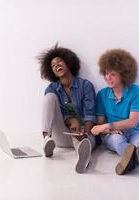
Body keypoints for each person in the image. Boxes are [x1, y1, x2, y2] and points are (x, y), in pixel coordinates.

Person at [38, 44, 96, 174]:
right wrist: (70, 119)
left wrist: (85, 132)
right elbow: (57, 113)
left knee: (83, 143)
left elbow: (90, 113)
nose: (56, 65)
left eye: (59, 62)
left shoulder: (85, 85)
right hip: (62, 135)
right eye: (53, 65)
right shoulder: (52, 89)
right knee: (49, 97)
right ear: (52, 72)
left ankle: (83, 158)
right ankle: (46, 138)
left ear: (68, 63)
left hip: (83, 132)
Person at [91, 49, 139, 175]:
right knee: (117, 141)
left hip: (138, 130)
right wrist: (108, 129)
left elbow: (133, 122)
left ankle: (131, 158)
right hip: (114, 133)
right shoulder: (102, 95)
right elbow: (100, 124)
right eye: (106, 74)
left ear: (123, 74)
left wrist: (108, 126)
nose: (108, 78)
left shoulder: (137, 91)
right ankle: (136, 159)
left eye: (112, 74)